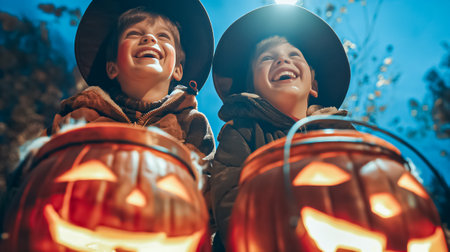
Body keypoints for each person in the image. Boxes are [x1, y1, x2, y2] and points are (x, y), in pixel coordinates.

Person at [1, 0, 216, 232]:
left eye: (163, 36)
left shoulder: (192, 124)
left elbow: (205, 194)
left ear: (178, 70)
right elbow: (35, 174)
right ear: (112, 67)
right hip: (86, 225)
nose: (149, 38)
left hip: (162, 228)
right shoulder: (79, 117)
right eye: (134, 34)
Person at [210, 4, 352, 250]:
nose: (282, 59)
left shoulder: (339, 133)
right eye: (267, 57)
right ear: (251, 88)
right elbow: (229, 194)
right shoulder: (242, 132)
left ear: (313, 84)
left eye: (294, 55)